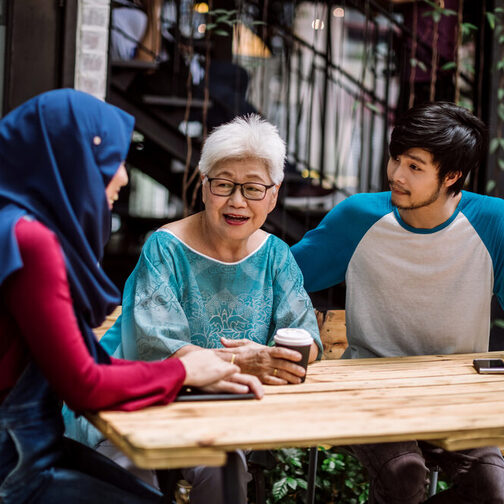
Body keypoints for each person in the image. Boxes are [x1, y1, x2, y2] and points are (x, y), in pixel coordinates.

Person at [0, 88, 262, 504]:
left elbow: (83, 368)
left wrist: (188, 374)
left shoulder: (13, 226)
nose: (123, 176)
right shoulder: (31, 241)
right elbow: (84, 383)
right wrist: (183, 372)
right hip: (17, 469)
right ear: (69, 160)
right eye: (113, 160)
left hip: (30, 449)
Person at [66, 114, 323, 504]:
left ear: (272, 195)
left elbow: (307, 339)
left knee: (224, 464)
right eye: (223, 185)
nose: (237, 201)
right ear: (204, 188)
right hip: (141, 404)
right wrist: (246, 363)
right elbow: (160, 346)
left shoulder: (276, 256)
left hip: (224, 410)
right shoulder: (165, 248)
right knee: (131, 470)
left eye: (253, 188)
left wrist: (281, 356)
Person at [291, 102, 504, 503]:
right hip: (371, 388)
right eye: (396, 159)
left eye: (415, 167)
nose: (396, 175)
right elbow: (282, 281)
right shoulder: (358, 218)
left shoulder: (493, 223)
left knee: (494, 487)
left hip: (456, 393)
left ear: (452, 176)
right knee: (404, 475)